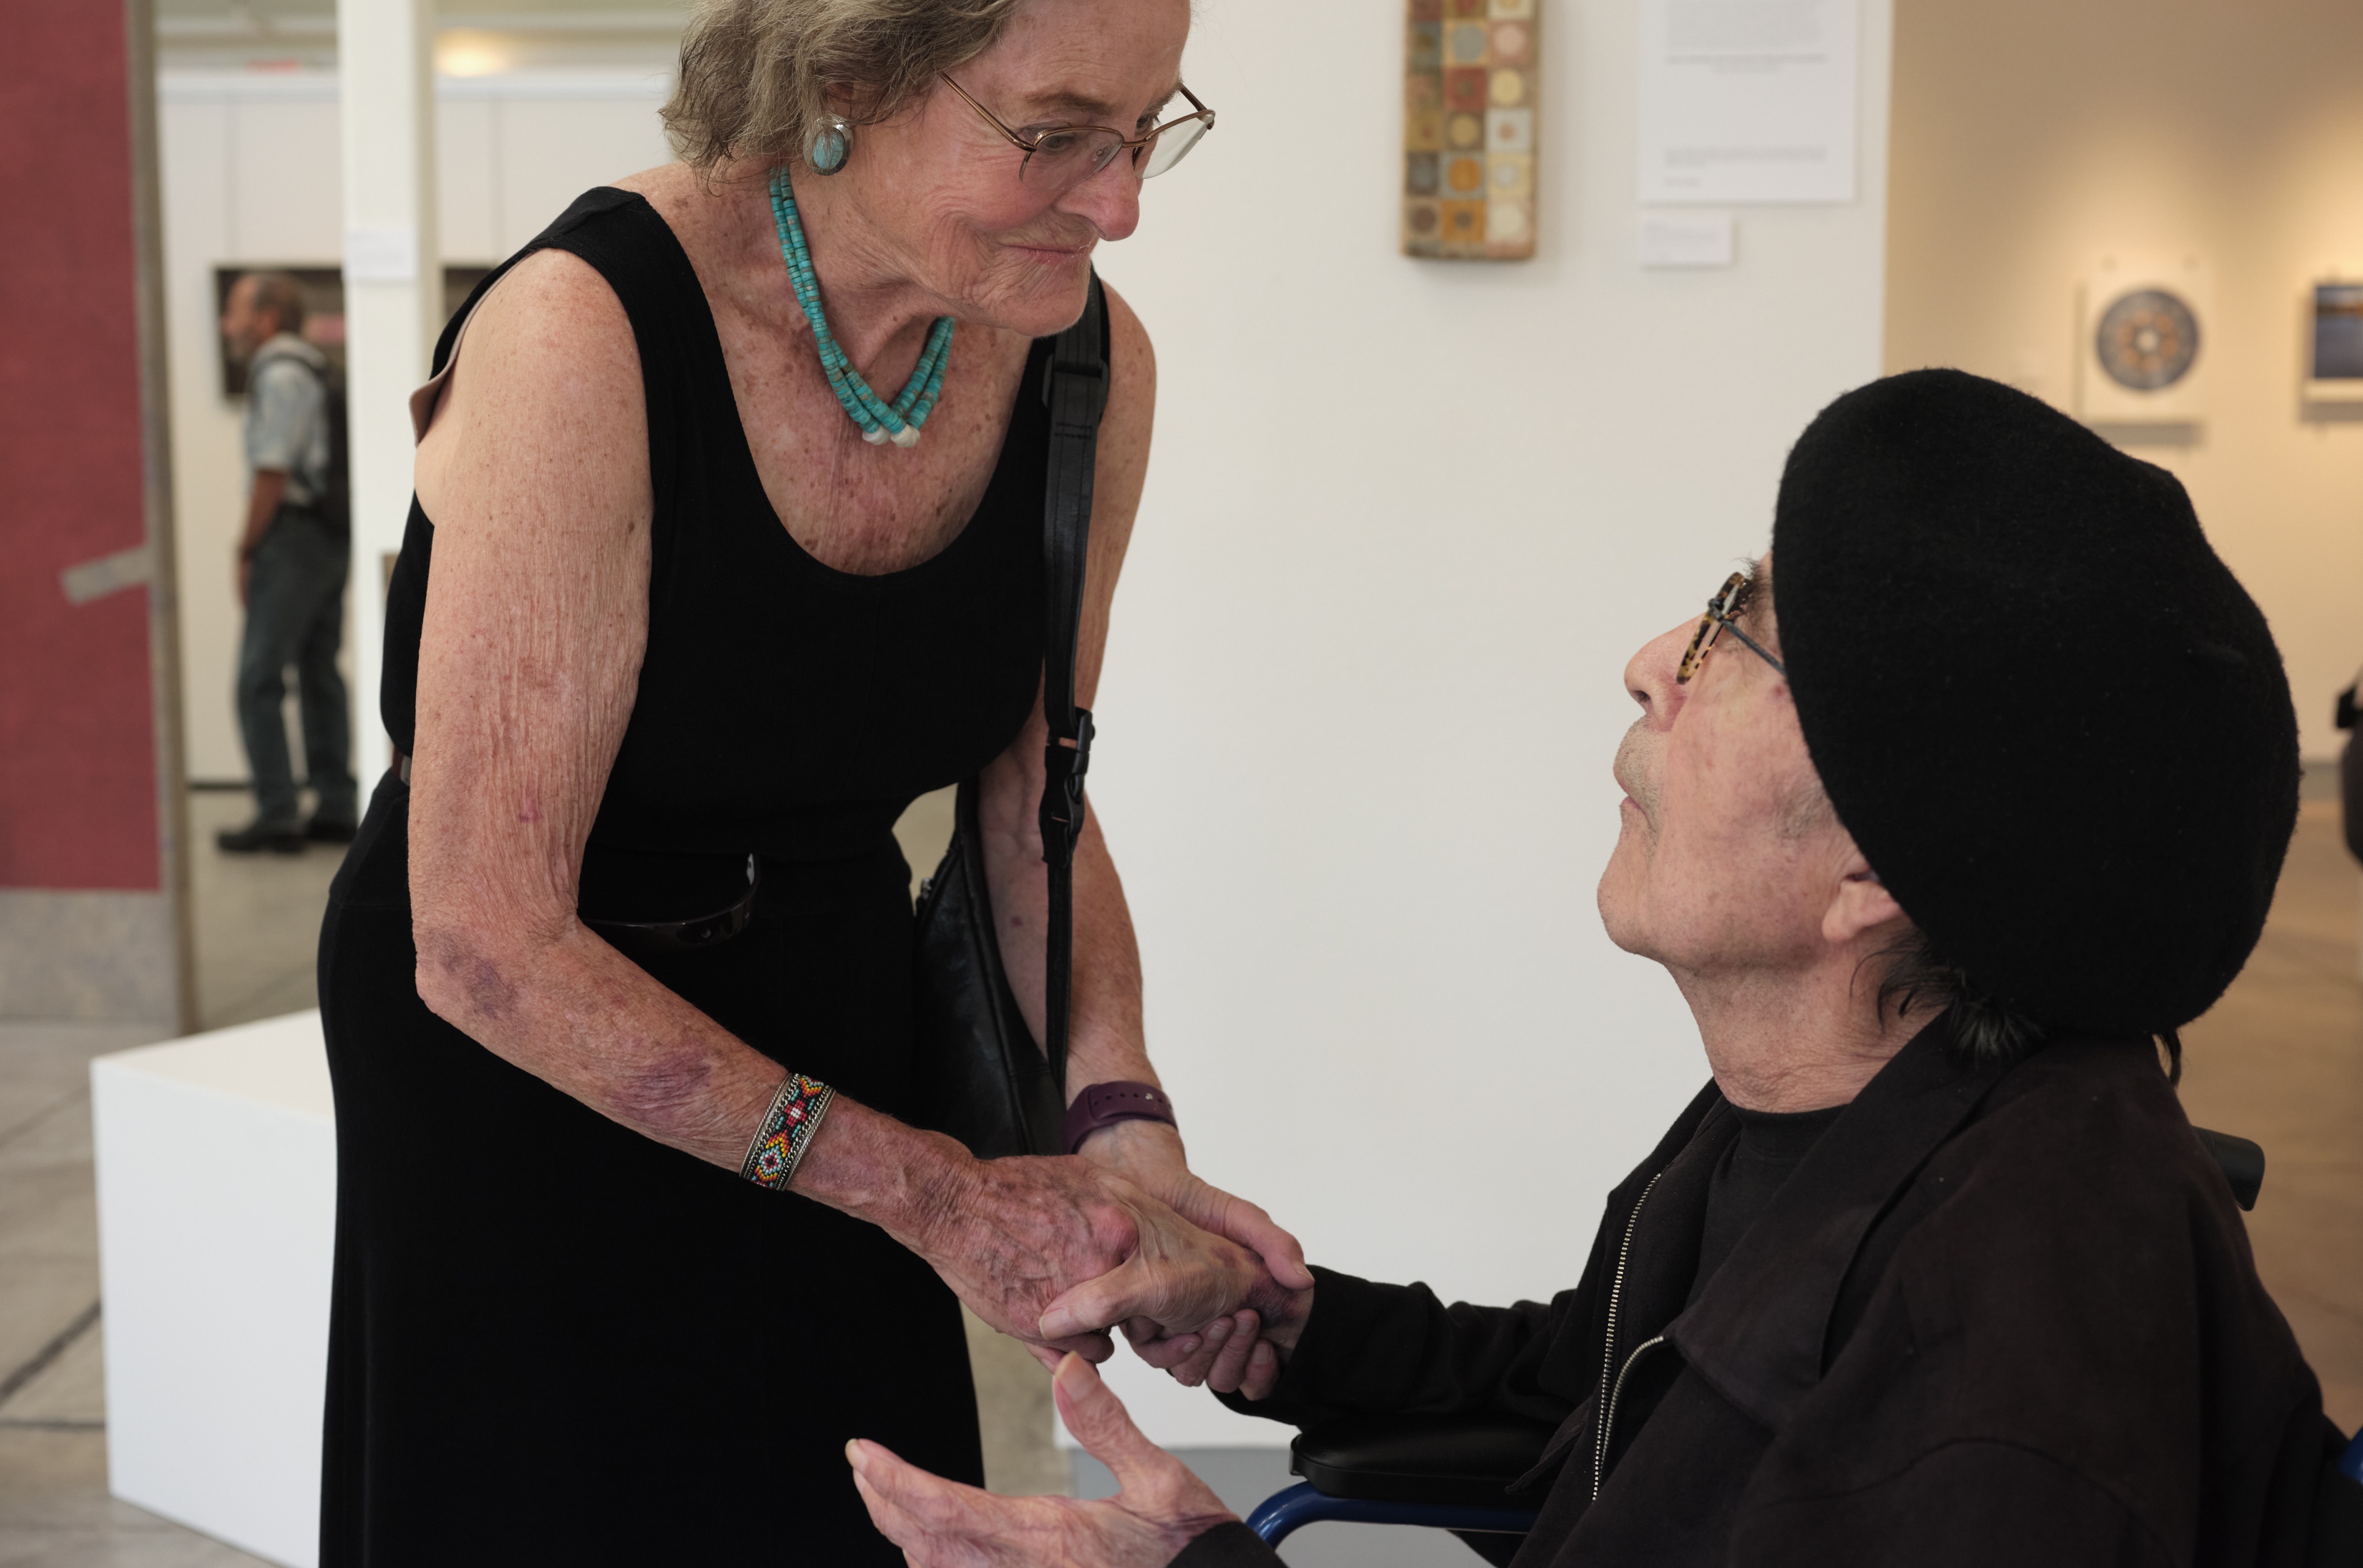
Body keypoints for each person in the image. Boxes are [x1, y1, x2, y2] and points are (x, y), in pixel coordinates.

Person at [849, 369, 2343, 1568]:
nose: (1649, 658)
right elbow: (1594, 1383)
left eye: (1731, 636)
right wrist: (1279, 1313)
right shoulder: (1843, 1099)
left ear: (1875, 875)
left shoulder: (1995, 1389)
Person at [312, 0, 1304, 1562]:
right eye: (1057, 133)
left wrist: (1118, 1120)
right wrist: (929, 1189)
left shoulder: (1080, 364)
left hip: (837, 1019)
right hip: (523, 1065)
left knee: (850, 1508)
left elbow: (1028, 808)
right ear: (846, 70)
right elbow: (477, 931)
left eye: (1151, 130)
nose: (1122, 205)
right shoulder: (586, 334)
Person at [216, 271, 357, 853]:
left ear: (267, 318)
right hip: (332, 536)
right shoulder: (321, 368)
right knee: (320, 672)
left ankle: (276, 811)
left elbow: (272, 469)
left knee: (258, 679)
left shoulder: (277, 372)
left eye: (235, 312)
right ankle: (334, 804)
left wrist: (246, 547)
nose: (228, 325)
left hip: (293, 538)